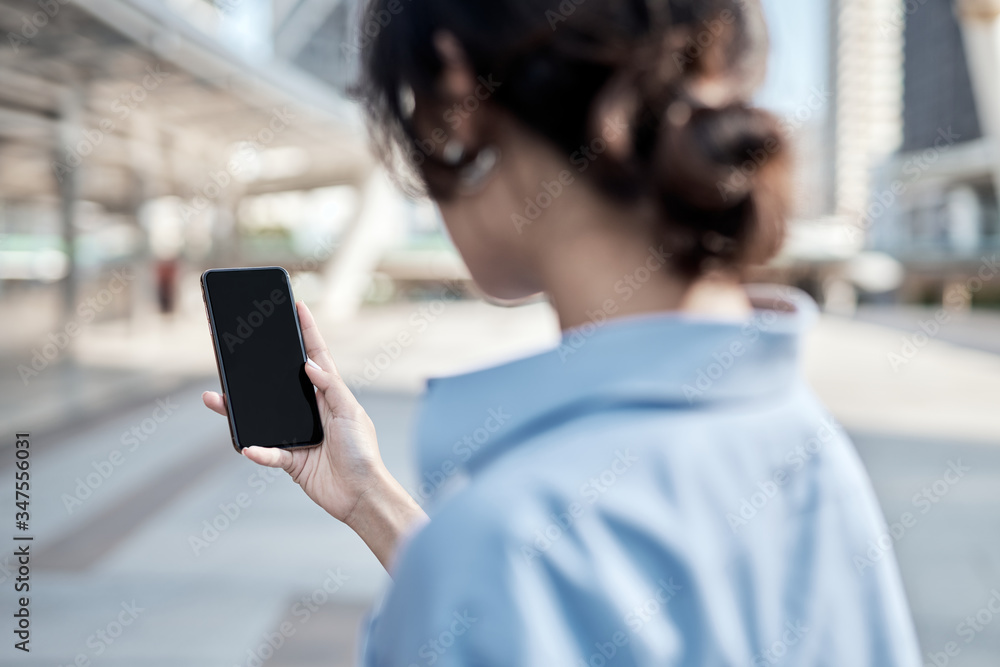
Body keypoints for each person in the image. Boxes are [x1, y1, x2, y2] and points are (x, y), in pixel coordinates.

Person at [204, 0, 921, 663]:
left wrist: (444, 569)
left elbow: (512, 588)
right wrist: (373, 500)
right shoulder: (809, 450)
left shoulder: (500, 547)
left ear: (458, 94)